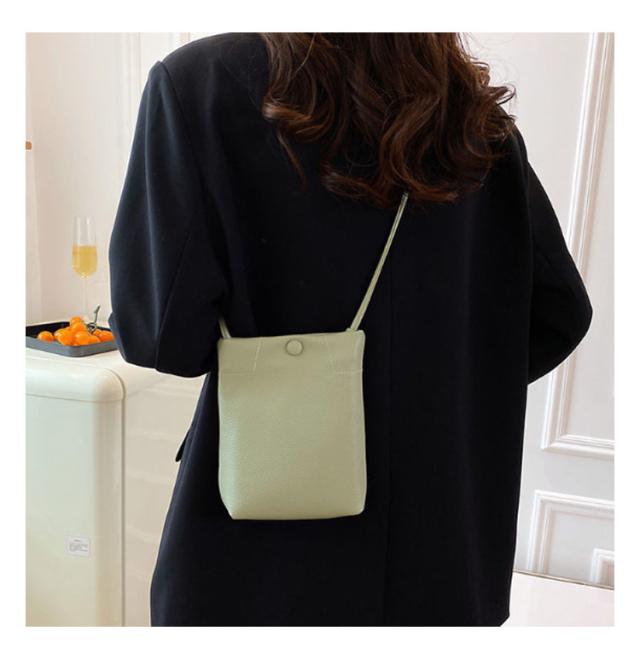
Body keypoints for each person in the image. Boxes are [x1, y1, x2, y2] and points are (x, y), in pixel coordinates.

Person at [108, 32, 592, 626]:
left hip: (259, 548)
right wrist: (444, 391)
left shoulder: (202, 84)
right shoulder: (472, 117)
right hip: (442, 551)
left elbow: (163, 337)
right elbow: (560, 311)